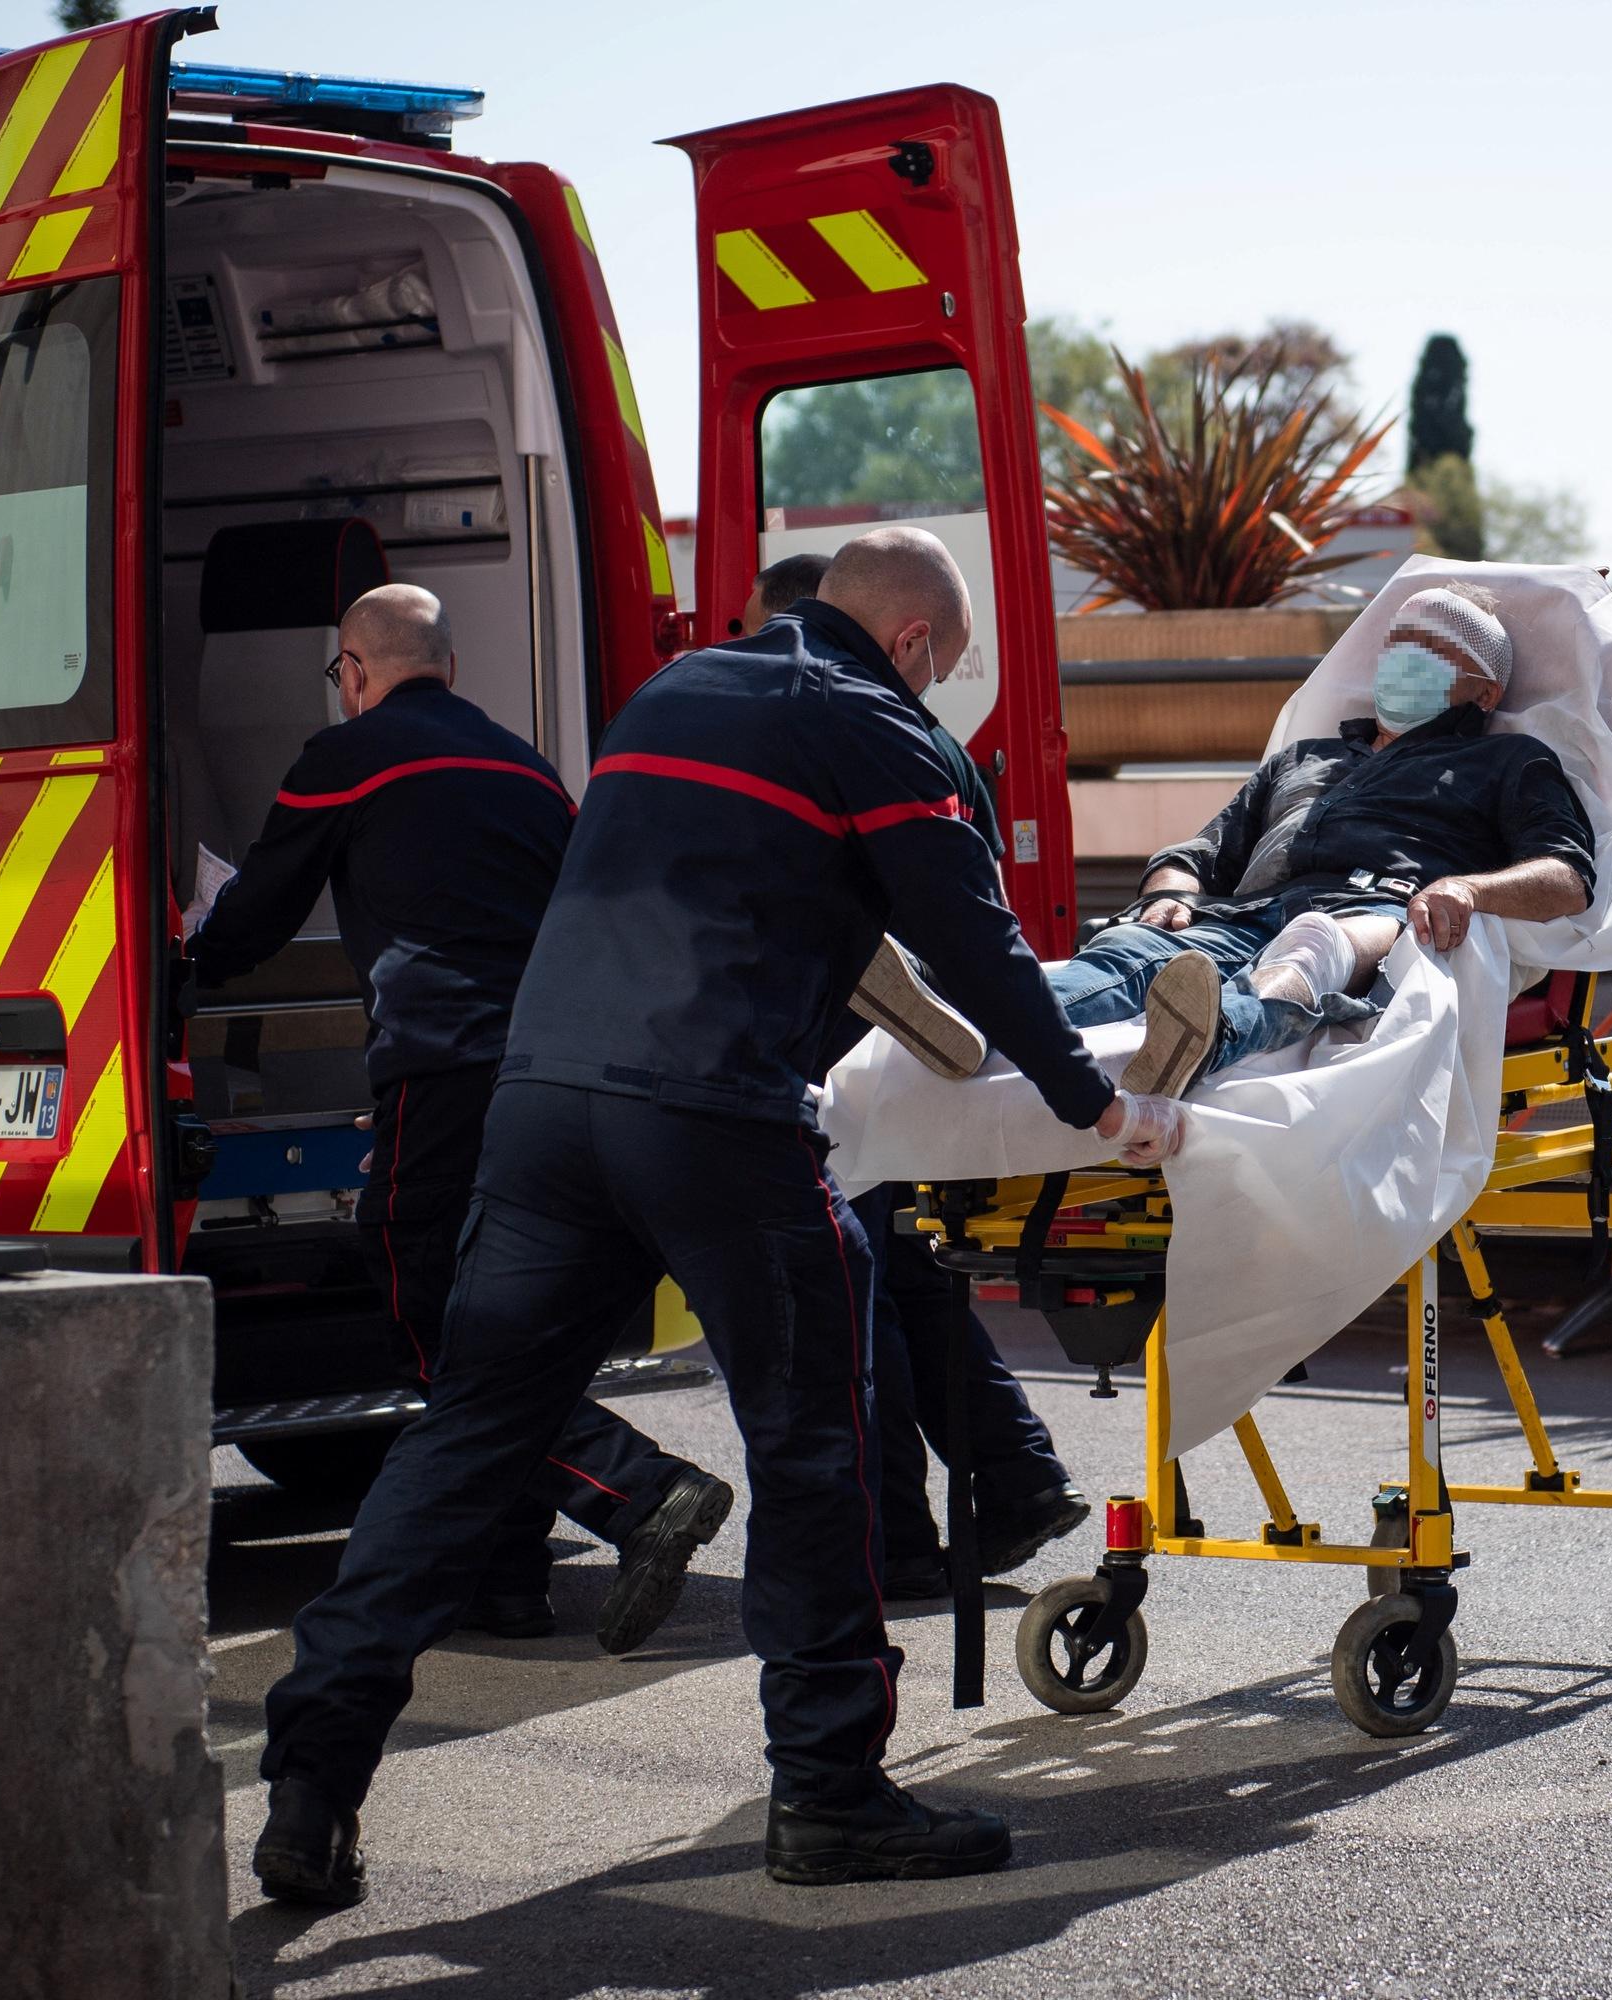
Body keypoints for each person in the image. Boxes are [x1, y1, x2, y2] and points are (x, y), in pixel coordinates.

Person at [251, 528, 1187, 1905]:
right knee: (812, 1446)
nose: (938, 690)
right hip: (716, 1116)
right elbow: (974, 939)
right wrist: (1091, 1101)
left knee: (465, 1439)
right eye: (944, 667)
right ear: (912, 642)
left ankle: (311, 1787)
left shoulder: (675, 693)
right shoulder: (876, 724)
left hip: (540, 1103)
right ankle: (831, 1793)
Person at [187, 584, 731, 1653]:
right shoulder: (524, 766)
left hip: (443, 1074)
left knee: (424, 1304)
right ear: (448, 665)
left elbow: (251, 924)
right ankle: (506, 1580)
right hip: (555, 1079)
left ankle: (637, 1487)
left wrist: (189, 943)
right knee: (504, 1320)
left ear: (353, 670)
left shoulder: (349, 757)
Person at [742, 551, 1093, 1599]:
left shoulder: (827, 726)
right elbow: (982, 912)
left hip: (849, 1057)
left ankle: (900, 1531)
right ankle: (1017, 1476)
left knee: (859, 1299)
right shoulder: (931, 742)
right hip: (915, 1057)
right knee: (904, 1278)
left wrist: (1081, 1089)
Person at [1043, 582, 1599, 1094]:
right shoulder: (1302, 759)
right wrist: (1168, 895)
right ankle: (1009, 1024)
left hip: (1375, 914)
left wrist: (1467, 890)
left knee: (1312, 945)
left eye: (1432, 648)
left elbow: (1567, 876)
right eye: (1397, 643)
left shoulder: (1508, 760)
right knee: (1129, 950)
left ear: (1485, 693)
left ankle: (1211, 1037)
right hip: (1243, 917)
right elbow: (1197, 855)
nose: (1403, 659)